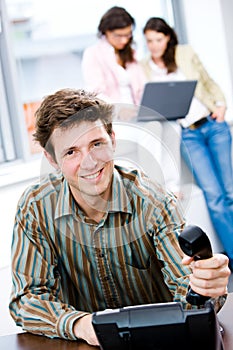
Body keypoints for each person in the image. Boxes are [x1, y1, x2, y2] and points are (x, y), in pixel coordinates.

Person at [10, 88, 230, 346]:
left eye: (96, 144)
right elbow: (27, 299)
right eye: (71, 152)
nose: (90, 162)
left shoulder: (154, 202)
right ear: (52, 159)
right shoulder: (36, 207)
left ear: (112, 140)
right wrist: (81, 324)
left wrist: (206, 288)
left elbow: (190, 295)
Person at [140, 17, 233, 270]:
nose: (154, 45)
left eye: (158, 39)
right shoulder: (145, 67)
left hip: (214, 125)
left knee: (230, 193)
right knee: (214, 198)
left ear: (168, 37)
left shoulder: (184, 53)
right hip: (189, 134)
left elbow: (207, 80)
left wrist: (222, 104)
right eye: (149, 41)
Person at [81, 6, 146, 119]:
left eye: (128, 34)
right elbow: (95, 93)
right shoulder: (93, 53)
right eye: (118, 36)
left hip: (136, 114)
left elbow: (141, 88)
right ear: (105, 32)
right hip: (113, 117)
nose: (124, 40)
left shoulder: (131, 54)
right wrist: (119, 110)